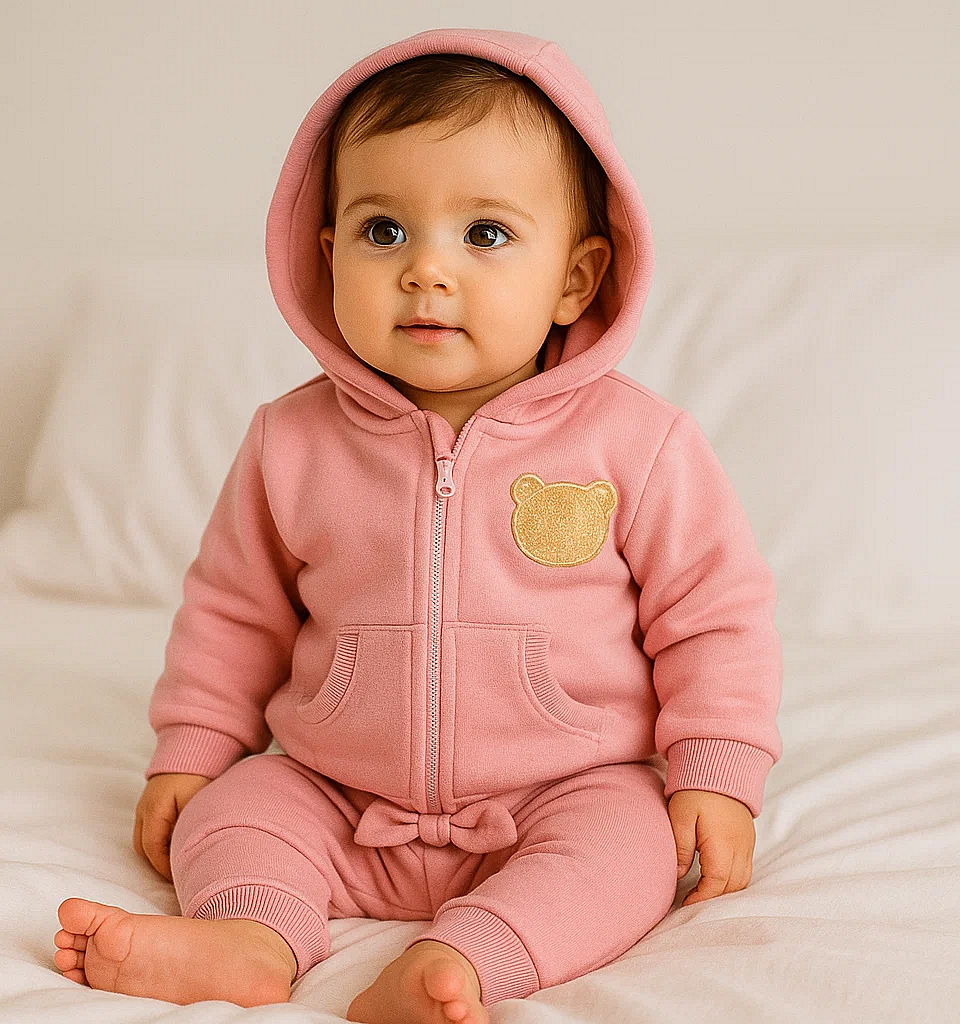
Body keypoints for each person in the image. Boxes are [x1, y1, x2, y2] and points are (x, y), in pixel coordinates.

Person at [52, 27, 782, 1023]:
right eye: (384, 230)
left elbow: (713, 616)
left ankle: (465, 962)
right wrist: (194, 748)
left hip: (564, 787)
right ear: (327, 255)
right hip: (338, 789)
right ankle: (252, 939)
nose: (426, 270)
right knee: (234, 814)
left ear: (575, 278)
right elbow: (233, 611)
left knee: (633, 850)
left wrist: (718, 770)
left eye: (485, 234)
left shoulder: (638, 444)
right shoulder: (290, 442)